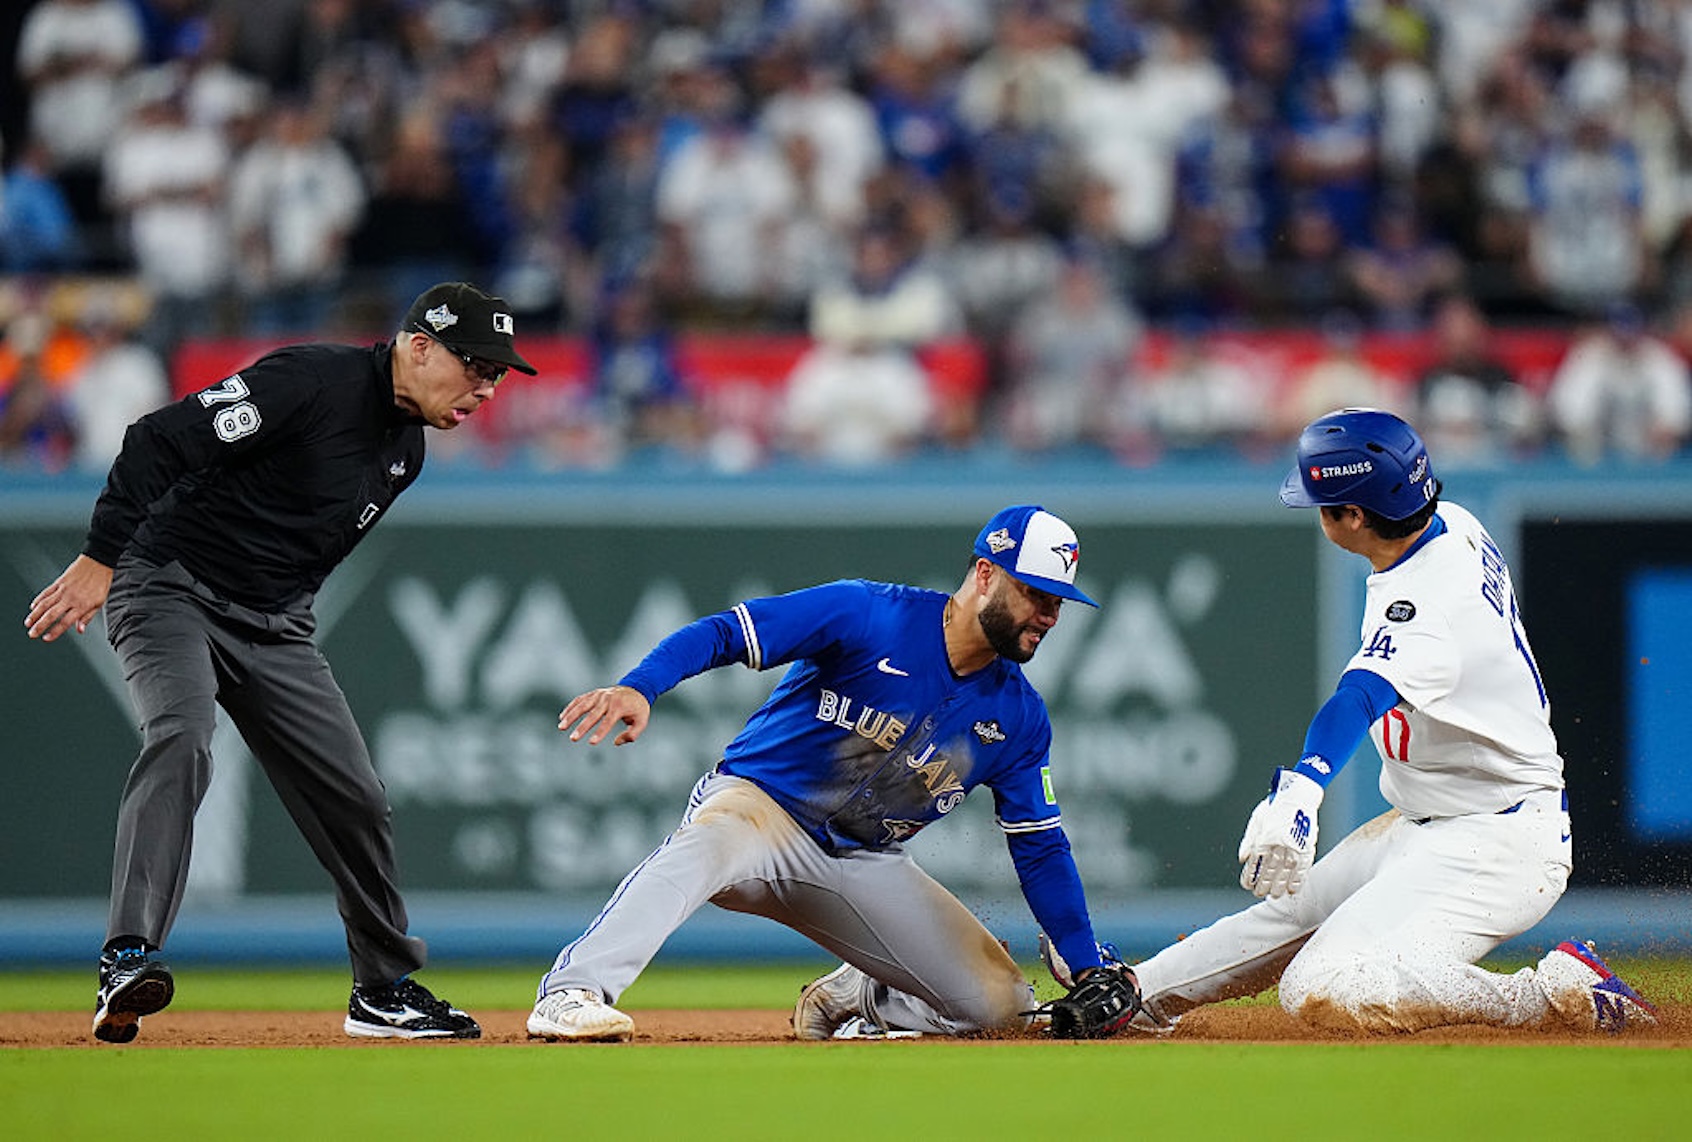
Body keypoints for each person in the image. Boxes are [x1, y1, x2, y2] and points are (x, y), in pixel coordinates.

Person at [22, 281, 538, 1044]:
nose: (487, 387)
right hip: (168, 587)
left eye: (498, 374)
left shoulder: (408, 450)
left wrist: (275, 629)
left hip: (272, 625)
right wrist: (102, 557)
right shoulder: (309, 380)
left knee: (356, 795)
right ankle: (126, 958)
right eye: (477, 366)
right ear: (419, 346)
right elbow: (157, 438)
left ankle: (382, 990)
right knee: (181, 738)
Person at [1114, 409, 1658, 1035]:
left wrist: (1303, 787)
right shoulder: (1449, 522)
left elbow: (1359, 698)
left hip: (1496, 841)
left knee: (1320, 986)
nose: (1317, 515)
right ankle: (1135, 994)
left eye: (1324, 505)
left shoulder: (1430, 604)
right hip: (1431, 822)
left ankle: (1548, 998)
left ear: (1355, 516)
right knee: (1286, 916)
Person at [529, 505, 1133, 1042]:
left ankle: (863, 995)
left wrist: (1085, 966)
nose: (1049, 615)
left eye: (1058, 601)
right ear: (985, 575)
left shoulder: (1020, 717)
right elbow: (727, 633)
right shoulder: (869, 613)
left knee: (1002, 1007)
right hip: (762, 809)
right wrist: (642, 685)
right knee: (704, 843)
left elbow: (1040, 848)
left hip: (864, 862)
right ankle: (572, 993)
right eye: (1036, 594)